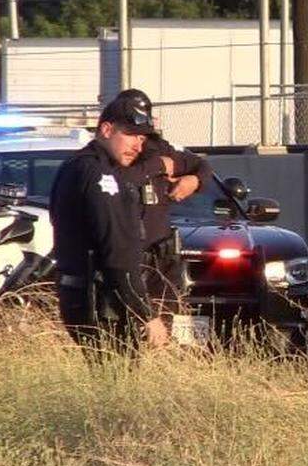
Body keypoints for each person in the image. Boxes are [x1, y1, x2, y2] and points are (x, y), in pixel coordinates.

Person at [108, 89, 212, 345]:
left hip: (161, 258)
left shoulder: (160, 149)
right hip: (125, 258)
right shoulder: (107, 155)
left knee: (169, 330)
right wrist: (157, 166)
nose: (138, 141)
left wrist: (193, 181)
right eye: (131, 132)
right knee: (123, 332)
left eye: (142, 133)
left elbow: (201, 165)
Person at [50, 100, 156, 352]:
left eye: (141, 139)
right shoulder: (96, 172)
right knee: (117, 379)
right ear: (107, 130)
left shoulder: (90, 166)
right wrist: (144, 313)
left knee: (109, 377)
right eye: (130, 135)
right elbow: (117, 250)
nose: (137, 146)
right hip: (100, 300)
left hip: (91, 296)